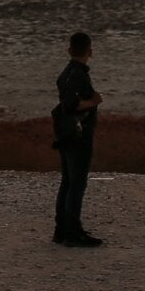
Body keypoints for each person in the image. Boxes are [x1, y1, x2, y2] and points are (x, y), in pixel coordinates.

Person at [50, 30, 105, 247]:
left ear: (69, 50)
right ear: (90, 51)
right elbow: (71, 105)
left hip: (64, 134)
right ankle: (73, 232)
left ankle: (61, 229)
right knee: (77, 184)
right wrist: (94, 101)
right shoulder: (79, 74)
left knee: (67, 182)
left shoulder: (66, 73)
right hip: (78, 136)